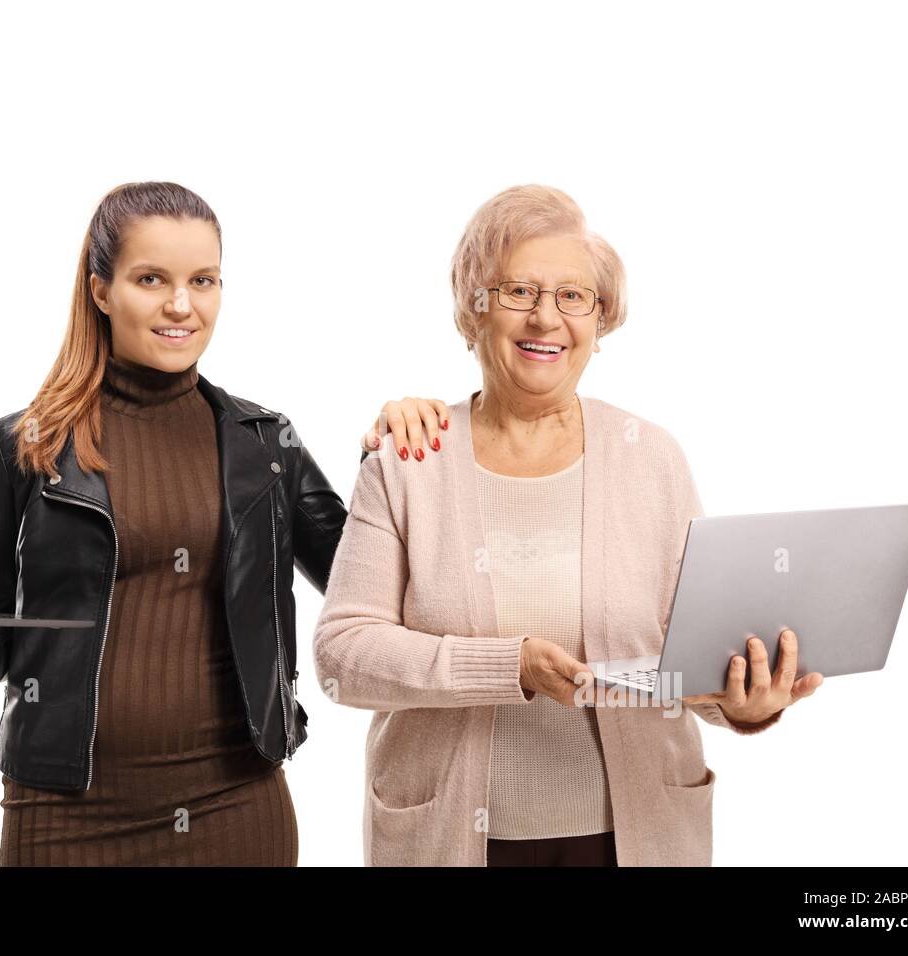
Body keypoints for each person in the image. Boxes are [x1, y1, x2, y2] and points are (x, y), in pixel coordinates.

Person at [0, 181, 445, 866]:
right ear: (100, 290)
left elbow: (367, 582)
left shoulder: (266, 445)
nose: (182, 305)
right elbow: (2, 642)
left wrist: (389, 455)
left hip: (234, 809)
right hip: (61, 817)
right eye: (151, 279)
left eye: (203, 280)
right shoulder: (23, 445)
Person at [313, 184, 823, 867]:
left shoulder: (653, 458)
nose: (546, 319)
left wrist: (747, 704)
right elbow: (343, 656)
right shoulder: (411, 459)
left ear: (599, 319)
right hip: (453, 843)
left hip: (636, 839)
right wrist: (507, 665)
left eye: (573, 297)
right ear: (476, 309)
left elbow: (688, 658)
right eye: (519, 291)